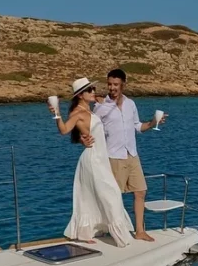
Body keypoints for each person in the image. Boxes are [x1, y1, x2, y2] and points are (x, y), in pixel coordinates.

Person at [81, 68, 167, 242]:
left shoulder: (131, 104)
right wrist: (84, 138)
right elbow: (89, 128)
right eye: (110, 84)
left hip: (132, 154)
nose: (112, 88)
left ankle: (140, 231)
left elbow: (137, 126)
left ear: (123, 85)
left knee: (140, 192)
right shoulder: (100, 107)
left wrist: (152, 123)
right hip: (113, 157)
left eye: (116, 84)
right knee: (113, 197)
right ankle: (110, 231)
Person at [47, 77, 134, 248]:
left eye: (93, 89)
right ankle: (118, 237)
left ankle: (88, 232)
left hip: (101, 159)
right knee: (112, 195)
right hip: (93, 159)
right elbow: (64, 130)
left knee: (94, 195)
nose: (93, 92)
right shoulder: (78, 113)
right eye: (89, 90)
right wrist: (56, 113)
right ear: (80, 95)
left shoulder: (90, 109)